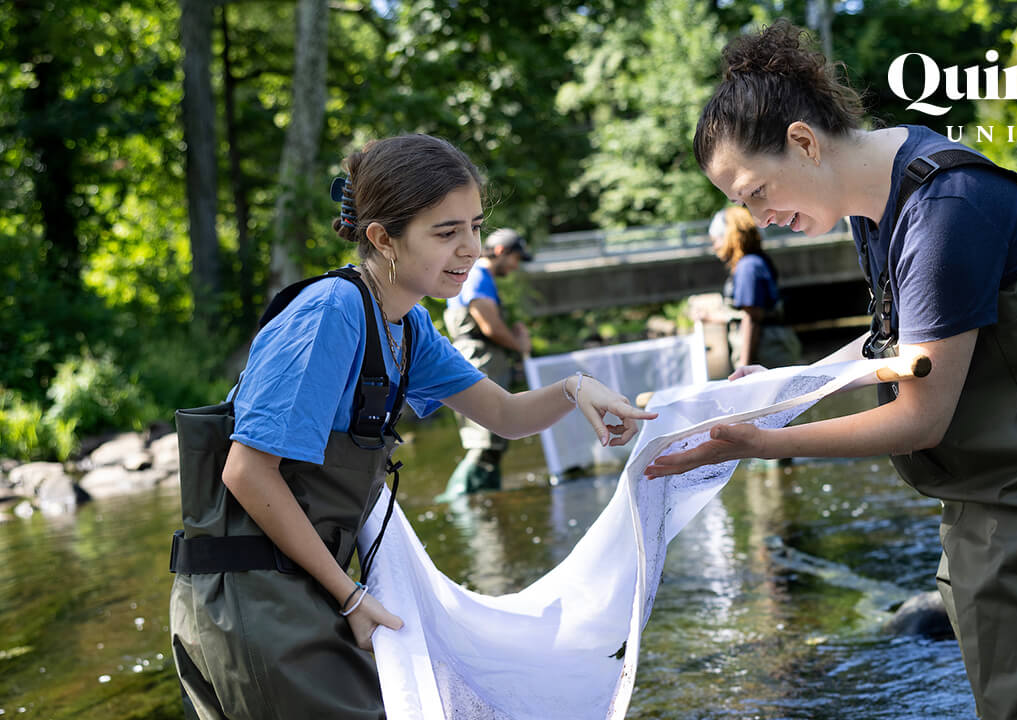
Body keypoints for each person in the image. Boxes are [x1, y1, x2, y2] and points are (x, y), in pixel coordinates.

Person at [645, 21, 1017, 720]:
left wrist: (760, 441)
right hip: (995, 490)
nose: (757, 215)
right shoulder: (876, 198)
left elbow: (920, 415)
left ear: (803, 141)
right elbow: (898, 342)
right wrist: (776, 394)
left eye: (755, 191)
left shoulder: (946, 208)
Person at [169, 133, 655, 720]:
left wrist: (577, 387)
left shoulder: (408, 325)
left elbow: (504, 414)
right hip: (246, 598)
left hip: (302, 586)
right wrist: (352, 597)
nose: (471, 248)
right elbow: (246, 472)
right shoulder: (332, 312)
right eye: (446, 233)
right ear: (382, 238)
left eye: (475, 226)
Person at [439, 228, 533, 499]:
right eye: (516, 258)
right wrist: (519, 345)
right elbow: (489, 325)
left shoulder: (480, 276)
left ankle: (486, 497)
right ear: (501, 252)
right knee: (484, 439)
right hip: (479, 360)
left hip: (485, 360)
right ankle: (458, 498)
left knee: (495, 436)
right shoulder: (477, 275)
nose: (516, 266)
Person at [708, 206, 803, 369]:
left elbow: (752, 317)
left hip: (768, 352)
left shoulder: (748, 267)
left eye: (715, 240)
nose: (714, 247)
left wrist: (744, 366)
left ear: (729, 236)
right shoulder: (756, 261)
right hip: (778, 346)